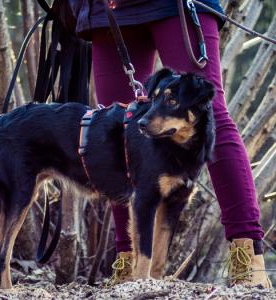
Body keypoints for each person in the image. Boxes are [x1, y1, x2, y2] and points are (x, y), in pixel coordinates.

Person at [71, 0, 272, 288]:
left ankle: (249, 261)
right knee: (118, 130)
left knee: (210, 114)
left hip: (176, 5)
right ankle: (130, 268)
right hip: (108, 10)